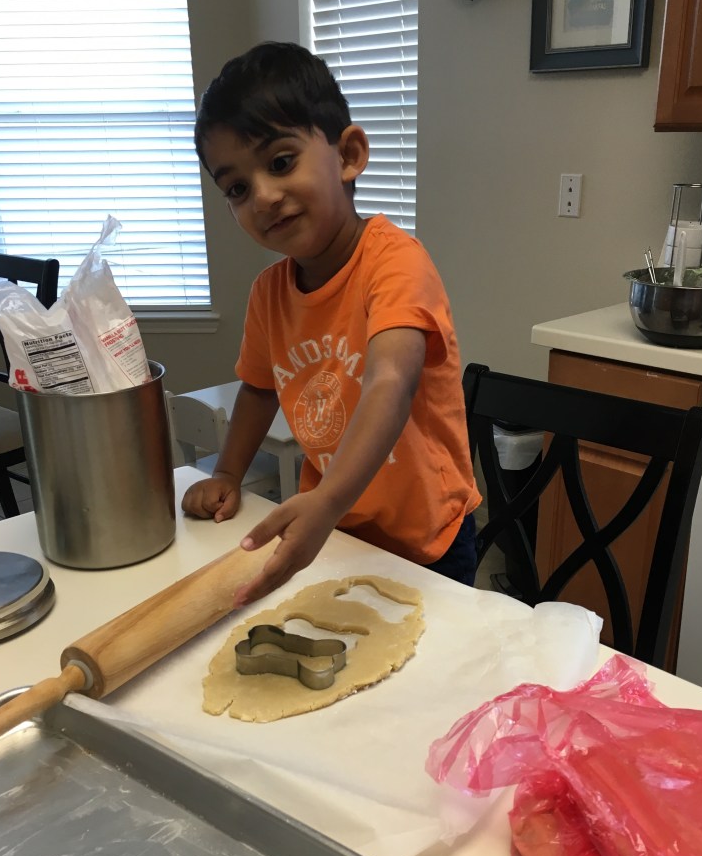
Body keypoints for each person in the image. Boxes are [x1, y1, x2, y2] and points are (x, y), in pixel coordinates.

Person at [182, 42, 481, 606]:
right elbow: (258, 389)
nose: (263, 197)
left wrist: (326, 502)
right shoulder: (269, 293)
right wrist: (227, 473)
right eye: (237, 189)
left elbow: (390, 382)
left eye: (280, 162)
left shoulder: (395, 263)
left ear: (348, 155)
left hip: (426, 538)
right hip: (341, 530)